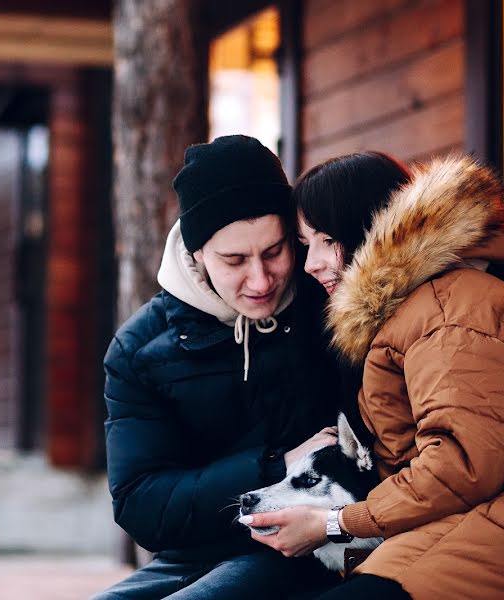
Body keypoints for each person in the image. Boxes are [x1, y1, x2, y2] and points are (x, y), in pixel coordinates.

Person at [244, 152, 504, 599]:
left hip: (493, 522)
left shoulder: (450, 309)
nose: (310, 264)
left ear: (368, 231)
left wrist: (334, 525)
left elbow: (461, 464)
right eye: (306, 244)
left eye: (326, 240)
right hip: (437, 519)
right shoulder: (397, 313)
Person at [93, 135, 340, 599]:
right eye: (234, 260)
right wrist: (275, 467)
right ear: (197, 254)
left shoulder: (326, 304)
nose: (261, 280)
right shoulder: (141, 348)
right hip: (192, 556)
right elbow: (141, 504)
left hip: (311, 548)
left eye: (275, 251)